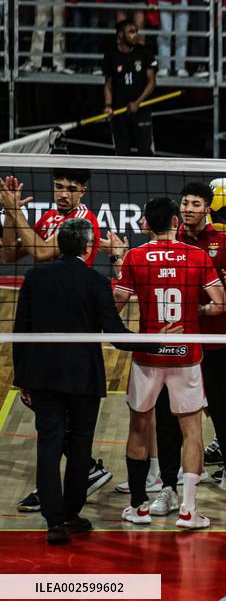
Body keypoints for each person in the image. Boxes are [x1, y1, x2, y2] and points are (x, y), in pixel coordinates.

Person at [12, 219, 160, 544]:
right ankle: (71, 514)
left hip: (43, 376)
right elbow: (118, 337)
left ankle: (53, 522)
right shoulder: (95, 281)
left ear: (59, 244)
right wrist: (155, 340)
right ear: (89, 247)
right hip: (83, 377)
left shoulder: (35, 277)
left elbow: (19, 332)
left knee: (48, 448)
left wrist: (23, 380)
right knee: (80, 448)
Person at [114, 197, 226, 529]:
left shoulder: (135, 257)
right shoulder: (197, 256)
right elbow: (220, 304)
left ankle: (138, 506)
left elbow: (116, 305)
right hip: (185, 354)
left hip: (148, 354)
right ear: (177, 222)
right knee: (191, 430)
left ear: (145, 223)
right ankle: (189, 511)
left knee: (139, 427)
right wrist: (194, 312)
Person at [173, 182, 226, 507]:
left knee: (223, 410)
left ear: (207, 207)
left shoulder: (225, 243)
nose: (189, 209)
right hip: (181, 340)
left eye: (195, 203)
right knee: (179, 411)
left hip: (218, 341)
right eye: (185, 203)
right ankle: (181, 472)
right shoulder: (172, 241)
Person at [1, 169, 102, 266]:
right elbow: (10, 255)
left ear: (82, 192)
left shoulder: (82, 220)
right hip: (45, 280)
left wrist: (14, 209)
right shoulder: (49, 216)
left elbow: (41, 253)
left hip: (71, 282)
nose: (63, 195)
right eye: (59, 186)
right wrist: (9, 210)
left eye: (71, 189)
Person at [103, 20, 159, 157]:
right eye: (131, 32)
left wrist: (138, 102)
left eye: (136, 32)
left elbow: (152, 82)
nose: (136, 35)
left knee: (146, 152)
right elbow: (108, 84)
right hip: (120, 111)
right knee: (122, 152)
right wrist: (108, 105)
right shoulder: (111, 55)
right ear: (121, 35)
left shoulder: (144, 53)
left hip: (141, 109)